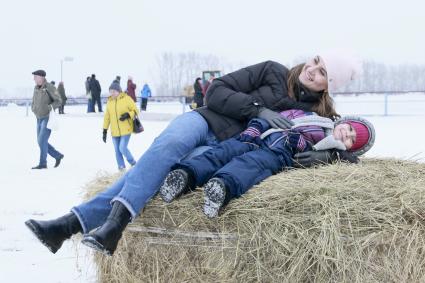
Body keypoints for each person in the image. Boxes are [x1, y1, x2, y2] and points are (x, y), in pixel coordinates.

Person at [25, 51, 362, 256]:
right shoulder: (273, 70)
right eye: (316, 61)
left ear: (328, 87)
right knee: (166, 148)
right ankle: (114, 224)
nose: (312, 70)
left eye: (322, 74)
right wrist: (256, 110)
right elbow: (216, 90)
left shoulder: (317, 115)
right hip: (205, 120)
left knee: (152, 171)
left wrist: (330, 157)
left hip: (225, 149)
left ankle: (71, 224)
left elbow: (348, 142)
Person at [160, 110, 375, 217]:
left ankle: (221, 188)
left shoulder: (332, 150)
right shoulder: (311, 116)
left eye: (351, 140)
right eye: (349, 129)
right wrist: (254, 127)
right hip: (257, 136)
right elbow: (274, 117)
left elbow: (352, 163)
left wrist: (328, 155)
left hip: (278, 153)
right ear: (344, 122)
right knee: (222, 152)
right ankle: (185, 176)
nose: (346, 135)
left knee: (251, 165)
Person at [30, 70, 64, 169]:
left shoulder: (49, 87)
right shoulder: (36, 88)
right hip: (38, 118)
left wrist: (50, 108)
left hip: (47, 118)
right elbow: (34, 101)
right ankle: (57, 155)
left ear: (41, 77)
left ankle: (42, 163)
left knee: (41, 141)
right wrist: (33, 108)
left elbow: (59, 101)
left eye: (35, 77)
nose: (34, 79)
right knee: (41, 141)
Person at [102, 81, 139, 170]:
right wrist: (104, 130)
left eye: (114, 91)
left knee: (122, 148)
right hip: (114, 131)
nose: (112, 93)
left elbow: (136, 111)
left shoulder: (127, 99)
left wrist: (127, 115)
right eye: (110, 91)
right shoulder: (109, 101)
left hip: (126, 129)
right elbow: (107, 117)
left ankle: (133, 163)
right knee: (117, 150)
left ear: (119, 91)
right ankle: (121, 167)